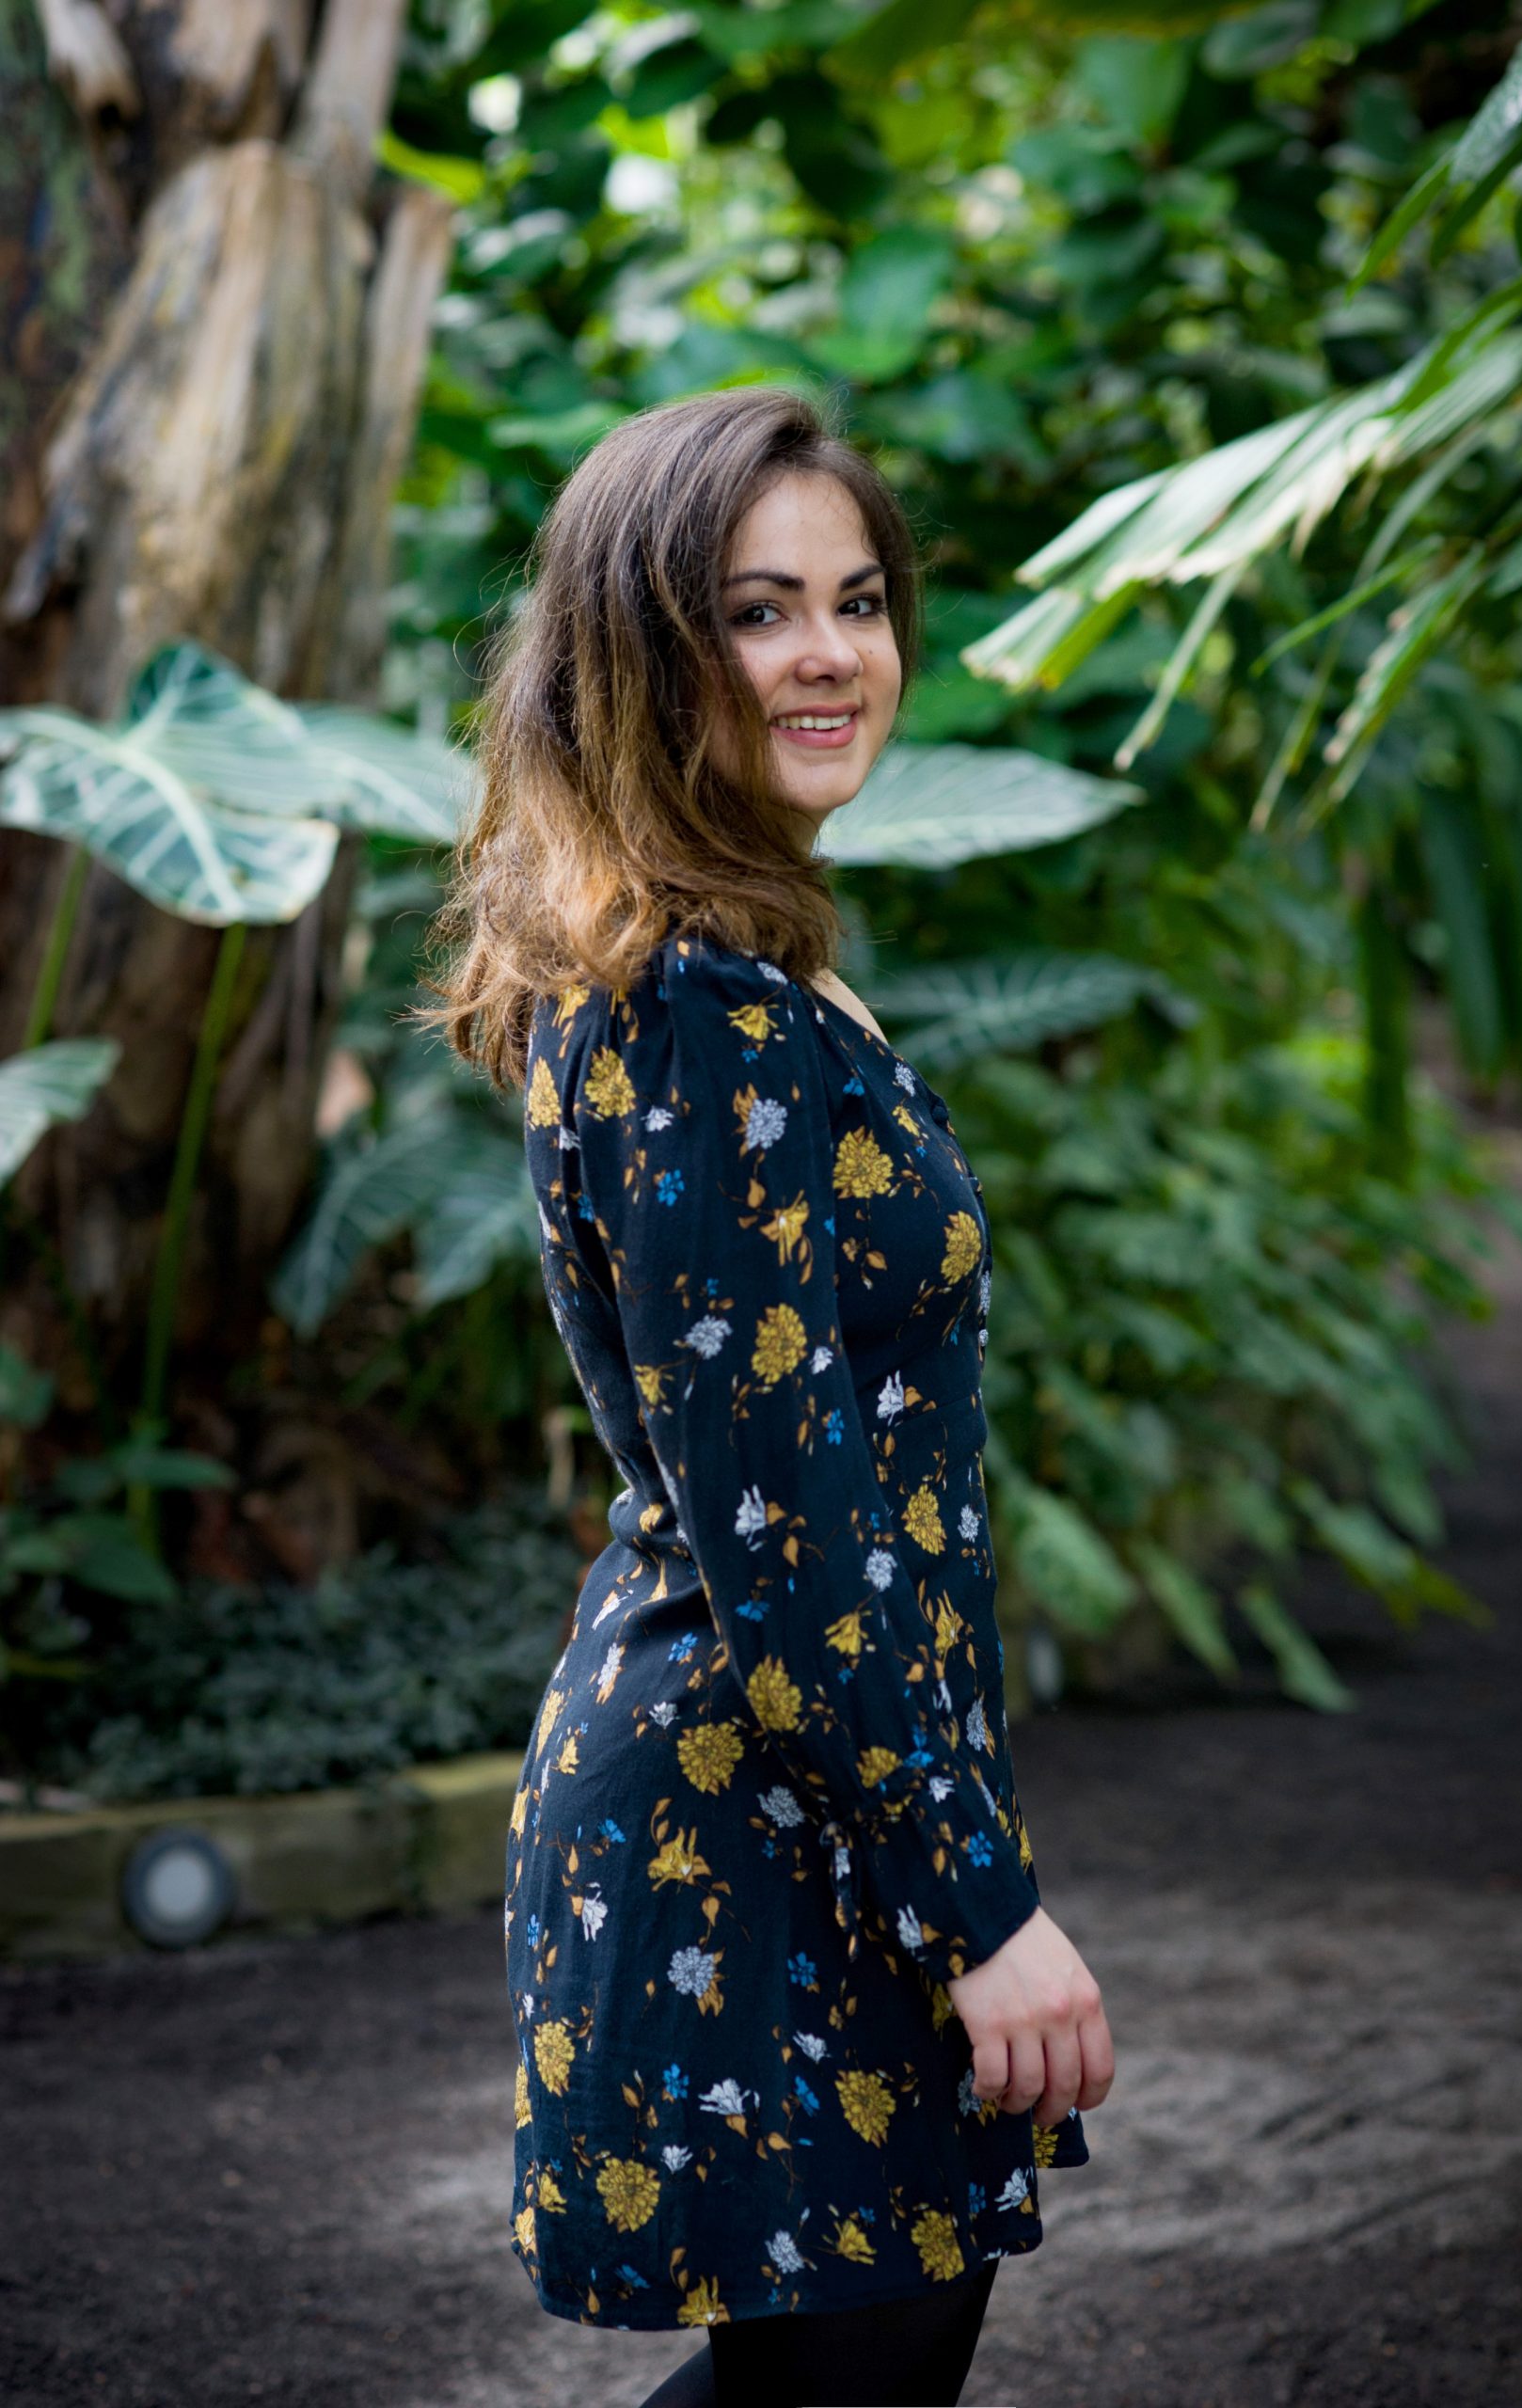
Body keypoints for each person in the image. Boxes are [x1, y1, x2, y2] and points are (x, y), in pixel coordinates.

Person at [420, 383, 1115, 2407]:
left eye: (858, 600)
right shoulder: (690, 1003)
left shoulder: (736, 963)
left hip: (810, 1801)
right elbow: (785, 1524)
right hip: (753, 1817)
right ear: (642, 651)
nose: (830, 653)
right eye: (757, 610)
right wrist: (981, 1906)